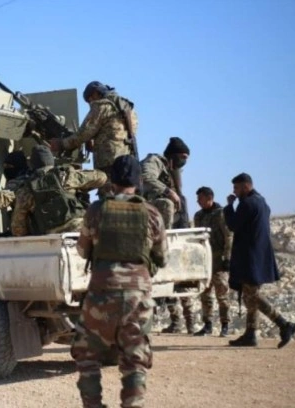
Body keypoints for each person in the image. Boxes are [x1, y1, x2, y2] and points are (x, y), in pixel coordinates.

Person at [71, 155, 168, 408]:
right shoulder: (152, 213)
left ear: (111, 181)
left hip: (101, 295)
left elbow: (82, 250)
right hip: (138, 297)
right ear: (138, 181)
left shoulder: (96, 211)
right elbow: (162, 257)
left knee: (87, 355)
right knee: (135, 360)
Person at [224, 173, 295, 348]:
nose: (235, 192)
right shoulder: (262, 202)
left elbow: (233, 225)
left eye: (237, 188)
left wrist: (229, 207)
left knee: (252, 295)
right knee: (250, 296)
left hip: (250, 257)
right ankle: (250, 334)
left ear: (246, 186)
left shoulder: (247, 203)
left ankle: (284, 324)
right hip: (259, 255)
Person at [140, 137, 194, 333]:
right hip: (149, 213)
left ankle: (184, 322)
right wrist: (167, 191)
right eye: (182, 157)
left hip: (169, 224)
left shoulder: (174, 172)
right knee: (168, 203)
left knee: (175, 280)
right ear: (172, 156)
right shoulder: (154, 161)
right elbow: (146, 177)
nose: (183, 162)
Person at [49, 81, 138, 195]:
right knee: (123, 195)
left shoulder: (101, 106)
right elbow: (117, 133)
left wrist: (62, 144)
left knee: (107, 195)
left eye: (89, 99)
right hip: (126, 161)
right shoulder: (127, 107)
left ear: (96, 93)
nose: (90, 103)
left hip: (107, 162)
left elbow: (82, 134)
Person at [10, 145, 106, 236]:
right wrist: (81, 187)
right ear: (51, 161)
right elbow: (102, 177)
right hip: (78, 230)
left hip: (49, 237)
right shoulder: (66, 176)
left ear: (32, 165)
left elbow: (17, 228)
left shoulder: (26, 189)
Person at [192, 187, 232, 337]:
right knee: (205, 294)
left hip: (219, 260)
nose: (198, 201)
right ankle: (207, 325)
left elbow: (229, 236)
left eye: (200, 198)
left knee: (222, 294)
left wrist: (227, 258)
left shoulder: (221, 214)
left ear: (209, 198)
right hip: (204, 261)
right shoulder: (198, 216)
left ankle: (225, 325)